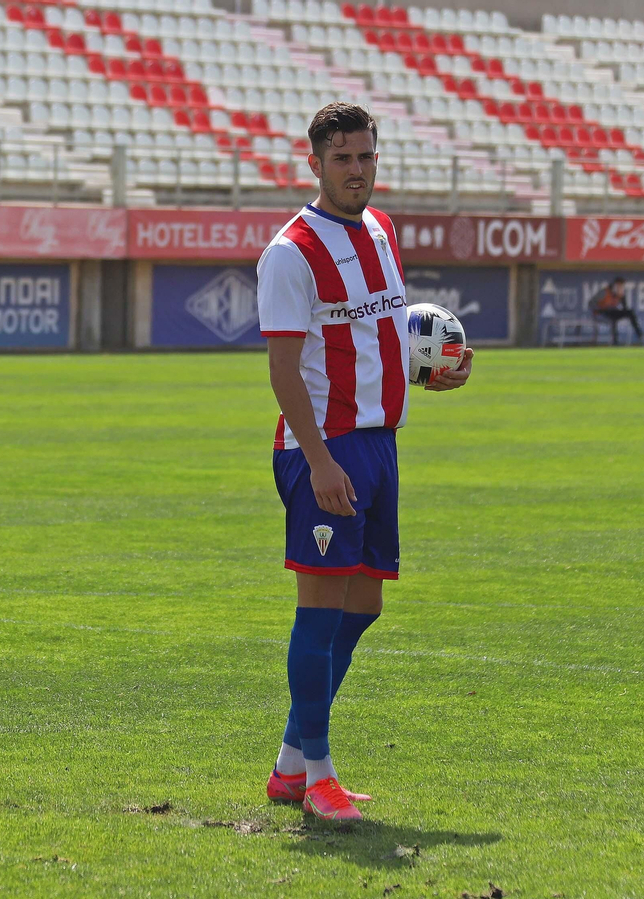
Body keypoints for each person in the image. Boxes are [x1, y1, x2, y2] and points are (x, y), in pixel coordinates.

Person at [254, 103, 473, 821]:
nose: (357, 169)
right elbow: (284, 370)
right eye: (343, 158)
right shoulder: (291, 252)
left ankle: (291, 763)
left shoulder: (380, 230)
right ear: (315, 163)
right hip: (325, 447)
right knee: (318, 612)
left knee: (365, 604)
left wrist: (431, 372)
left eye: (366, 156)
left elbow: (379, 336)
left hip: (380, 444)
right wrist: (319, 461)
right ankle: (318, 775)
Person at [588, 276, 644, 345]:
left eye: (621, 286)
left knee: (630, 312)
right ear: (614, 285)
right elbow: (591, 303)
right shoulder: (605, 292)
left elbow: (625, 307)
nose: (620, 288)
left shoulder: (620, 294)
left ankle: (640, 336)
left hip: (612, 312)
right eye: (618, 286)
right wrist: (599, 309)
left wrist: (622, 297)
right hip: (601, 313)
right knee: (612, 319)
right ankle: (614, 342)